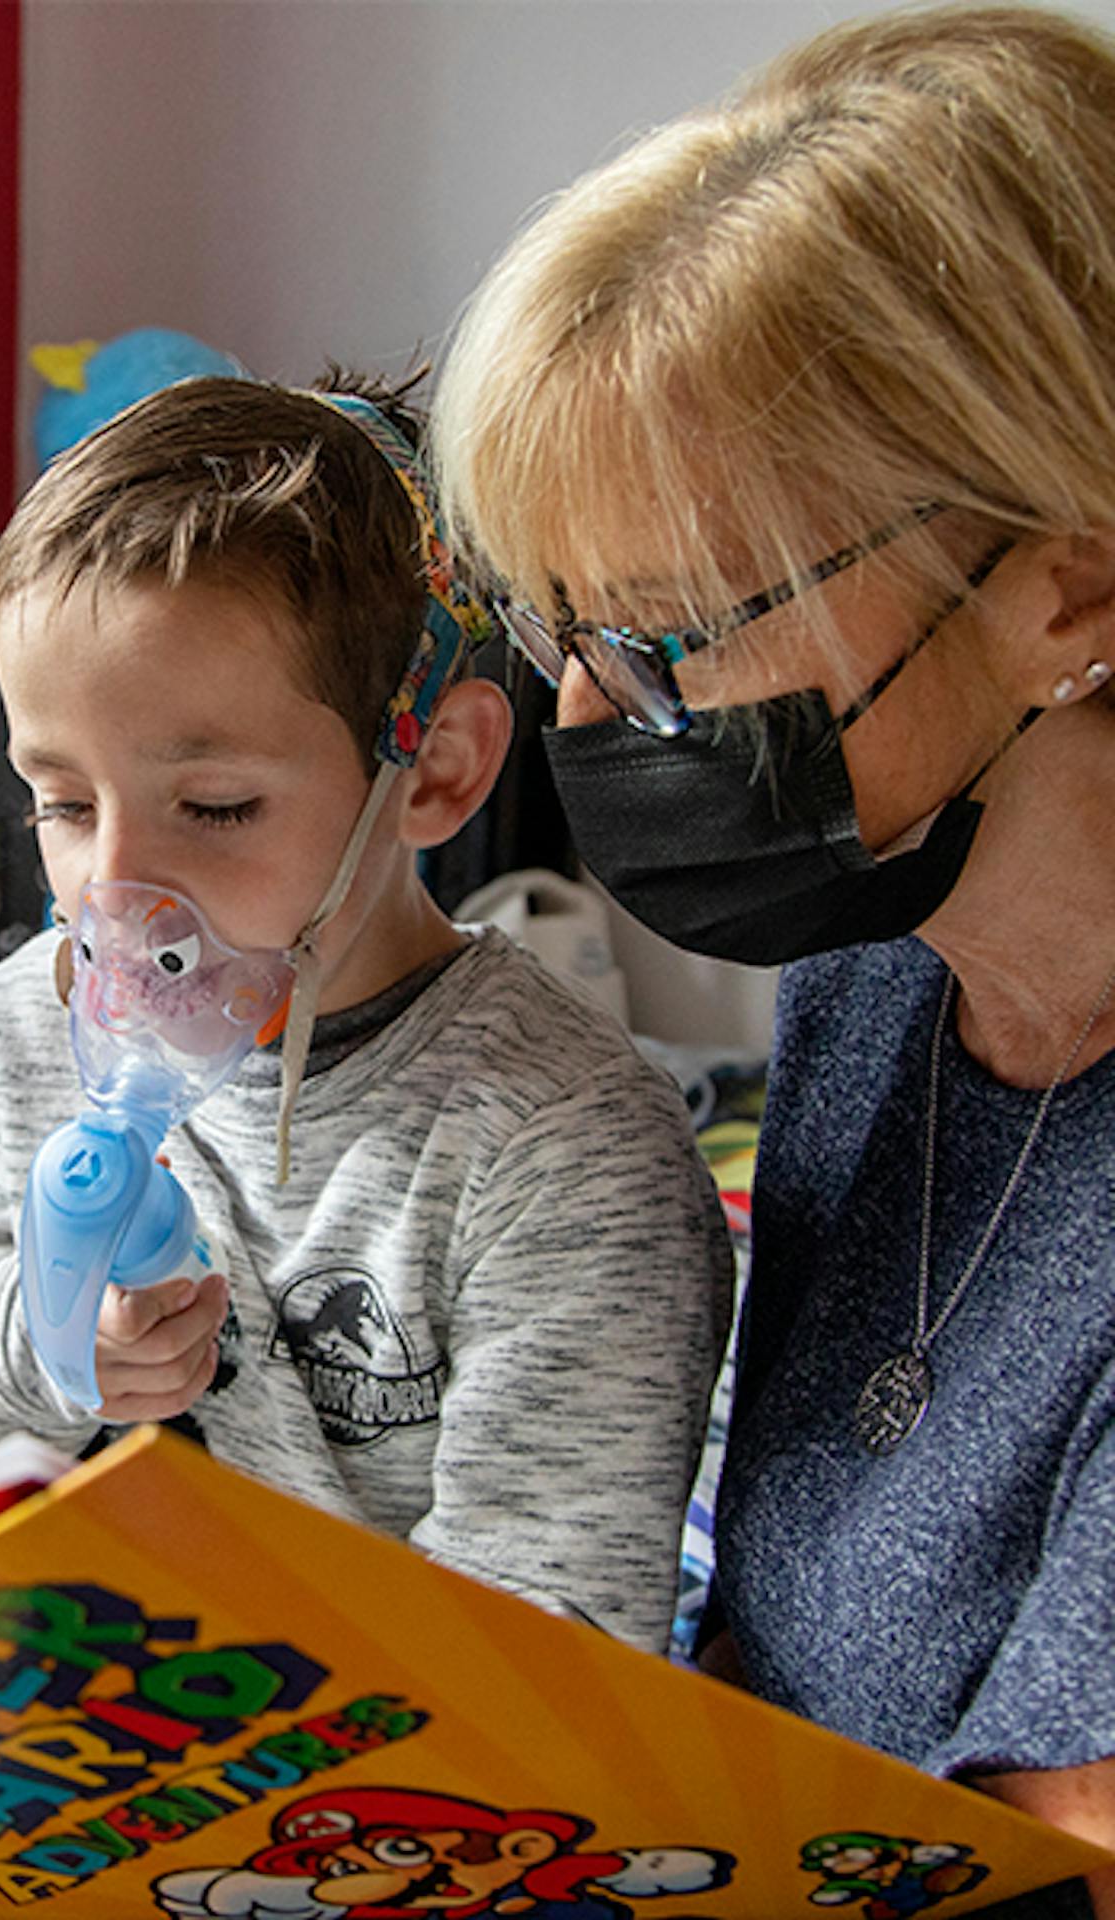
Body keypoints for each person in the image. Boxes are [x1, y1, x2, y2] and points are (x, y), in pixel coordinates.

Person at [430, 5, 1115, 1909]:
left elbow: (1061, 1857)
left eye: (665, 639)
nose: (583, 717)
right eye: (560, 630)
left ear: (1070, 586)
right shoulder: (883, 969)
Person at [0, 371, 733, 1656]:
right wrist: (44, 1355)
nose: (117, 891)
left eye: (214, 809)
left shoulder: (561, 1148)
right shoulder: (31, 1027)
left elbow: (549, 1644)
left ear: (433, 773)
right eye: (62, 802)